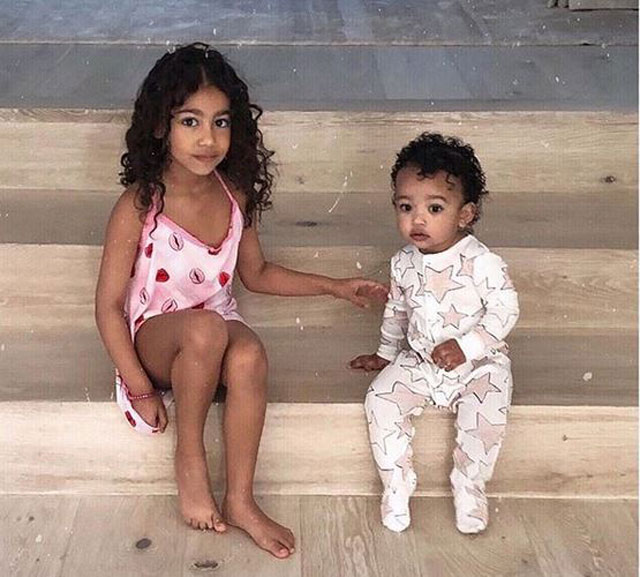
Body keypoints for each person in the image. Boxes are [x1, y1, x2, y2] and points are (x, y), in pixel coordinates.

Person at [95, 42, 386, 559]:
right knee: (206, 327)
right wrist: (140, 387)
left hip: (212, 331)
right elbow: (108, 307)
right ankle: (190, 459)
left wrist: (334, 286)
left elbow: (258, 273)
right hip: (156, 339)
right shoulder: (141, 204)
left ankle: (241, 499)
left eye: (221, 122)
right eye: (190, 121)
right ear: (160, 126)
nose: (208, 138)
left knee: (249, 352)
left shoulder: (235, 197)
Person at [350, 132, 519, 534]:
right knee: (379, 400)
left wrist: (467, 346)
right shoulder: (403, 263)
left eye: (435, 208)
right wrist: (385, 353)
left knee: (488, 409)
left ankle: (470, 484)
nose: (418, 219)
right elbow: (397, 311)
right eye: (405, 207)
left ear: (465, 214)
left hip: (478, 364)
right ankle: (396, 482)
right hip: (421, 360)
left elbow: (506, 310)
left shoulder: (481, 262)